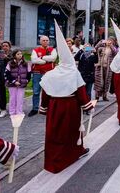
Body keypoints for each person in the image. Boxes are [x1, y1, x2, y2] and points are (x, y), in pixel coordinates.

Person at [39, 21, 95, 173]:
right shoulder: (73, 73)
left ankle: (53, 160)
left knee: (54, 133)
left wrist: (44, 108)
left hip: (54, 107)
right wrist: (88, 106)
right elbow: (82, 94)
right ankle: (72, 154)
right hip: (70, 107)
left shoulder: (50, 74)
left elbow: (45, 93)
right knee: (70, 132)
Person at [30, 35, 58, 117]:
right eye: (43, 40)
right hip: (37, 73)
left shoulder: (52, 50)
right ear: (40, 41)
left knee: (49, 91)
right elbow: (34, 60)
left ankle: (47, 108)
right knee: (36, 91)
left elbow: (53, 58)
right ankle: (35, 108)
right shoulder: (35, 50)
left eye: (47, 40)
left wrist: (41, 57)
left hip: (49, 73)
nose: (45, 42)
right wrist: (45, 61)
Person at [5, 50, 31, 115]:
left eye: (21, 54)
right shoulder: (10, 63)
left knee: (20, 98)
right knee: (12, 98)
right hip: (12, 84)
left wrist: (26, 81)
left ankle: (19, 111)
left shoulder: (26, 64)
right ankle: (12, 112)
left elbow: (29, 74)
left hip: (22, 84)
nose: (20, 55)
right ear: (14, 55)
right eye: (18, 54)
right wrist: (14, 81)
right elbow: (7, 74)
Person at [94, 37, 117, 101]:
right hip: (100, 67)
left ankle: (105, 95)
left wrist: (111, 46)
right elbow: (95, 48)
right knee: (98, 82)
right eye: (108, 40)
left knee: (106, 82)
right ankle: (97, 96)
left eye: (111, 41)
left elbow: (115, 53)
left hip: (108, 68)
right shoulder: (101, 48)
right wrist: (101, 42)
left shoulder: (113, 49)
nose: (109, 42)